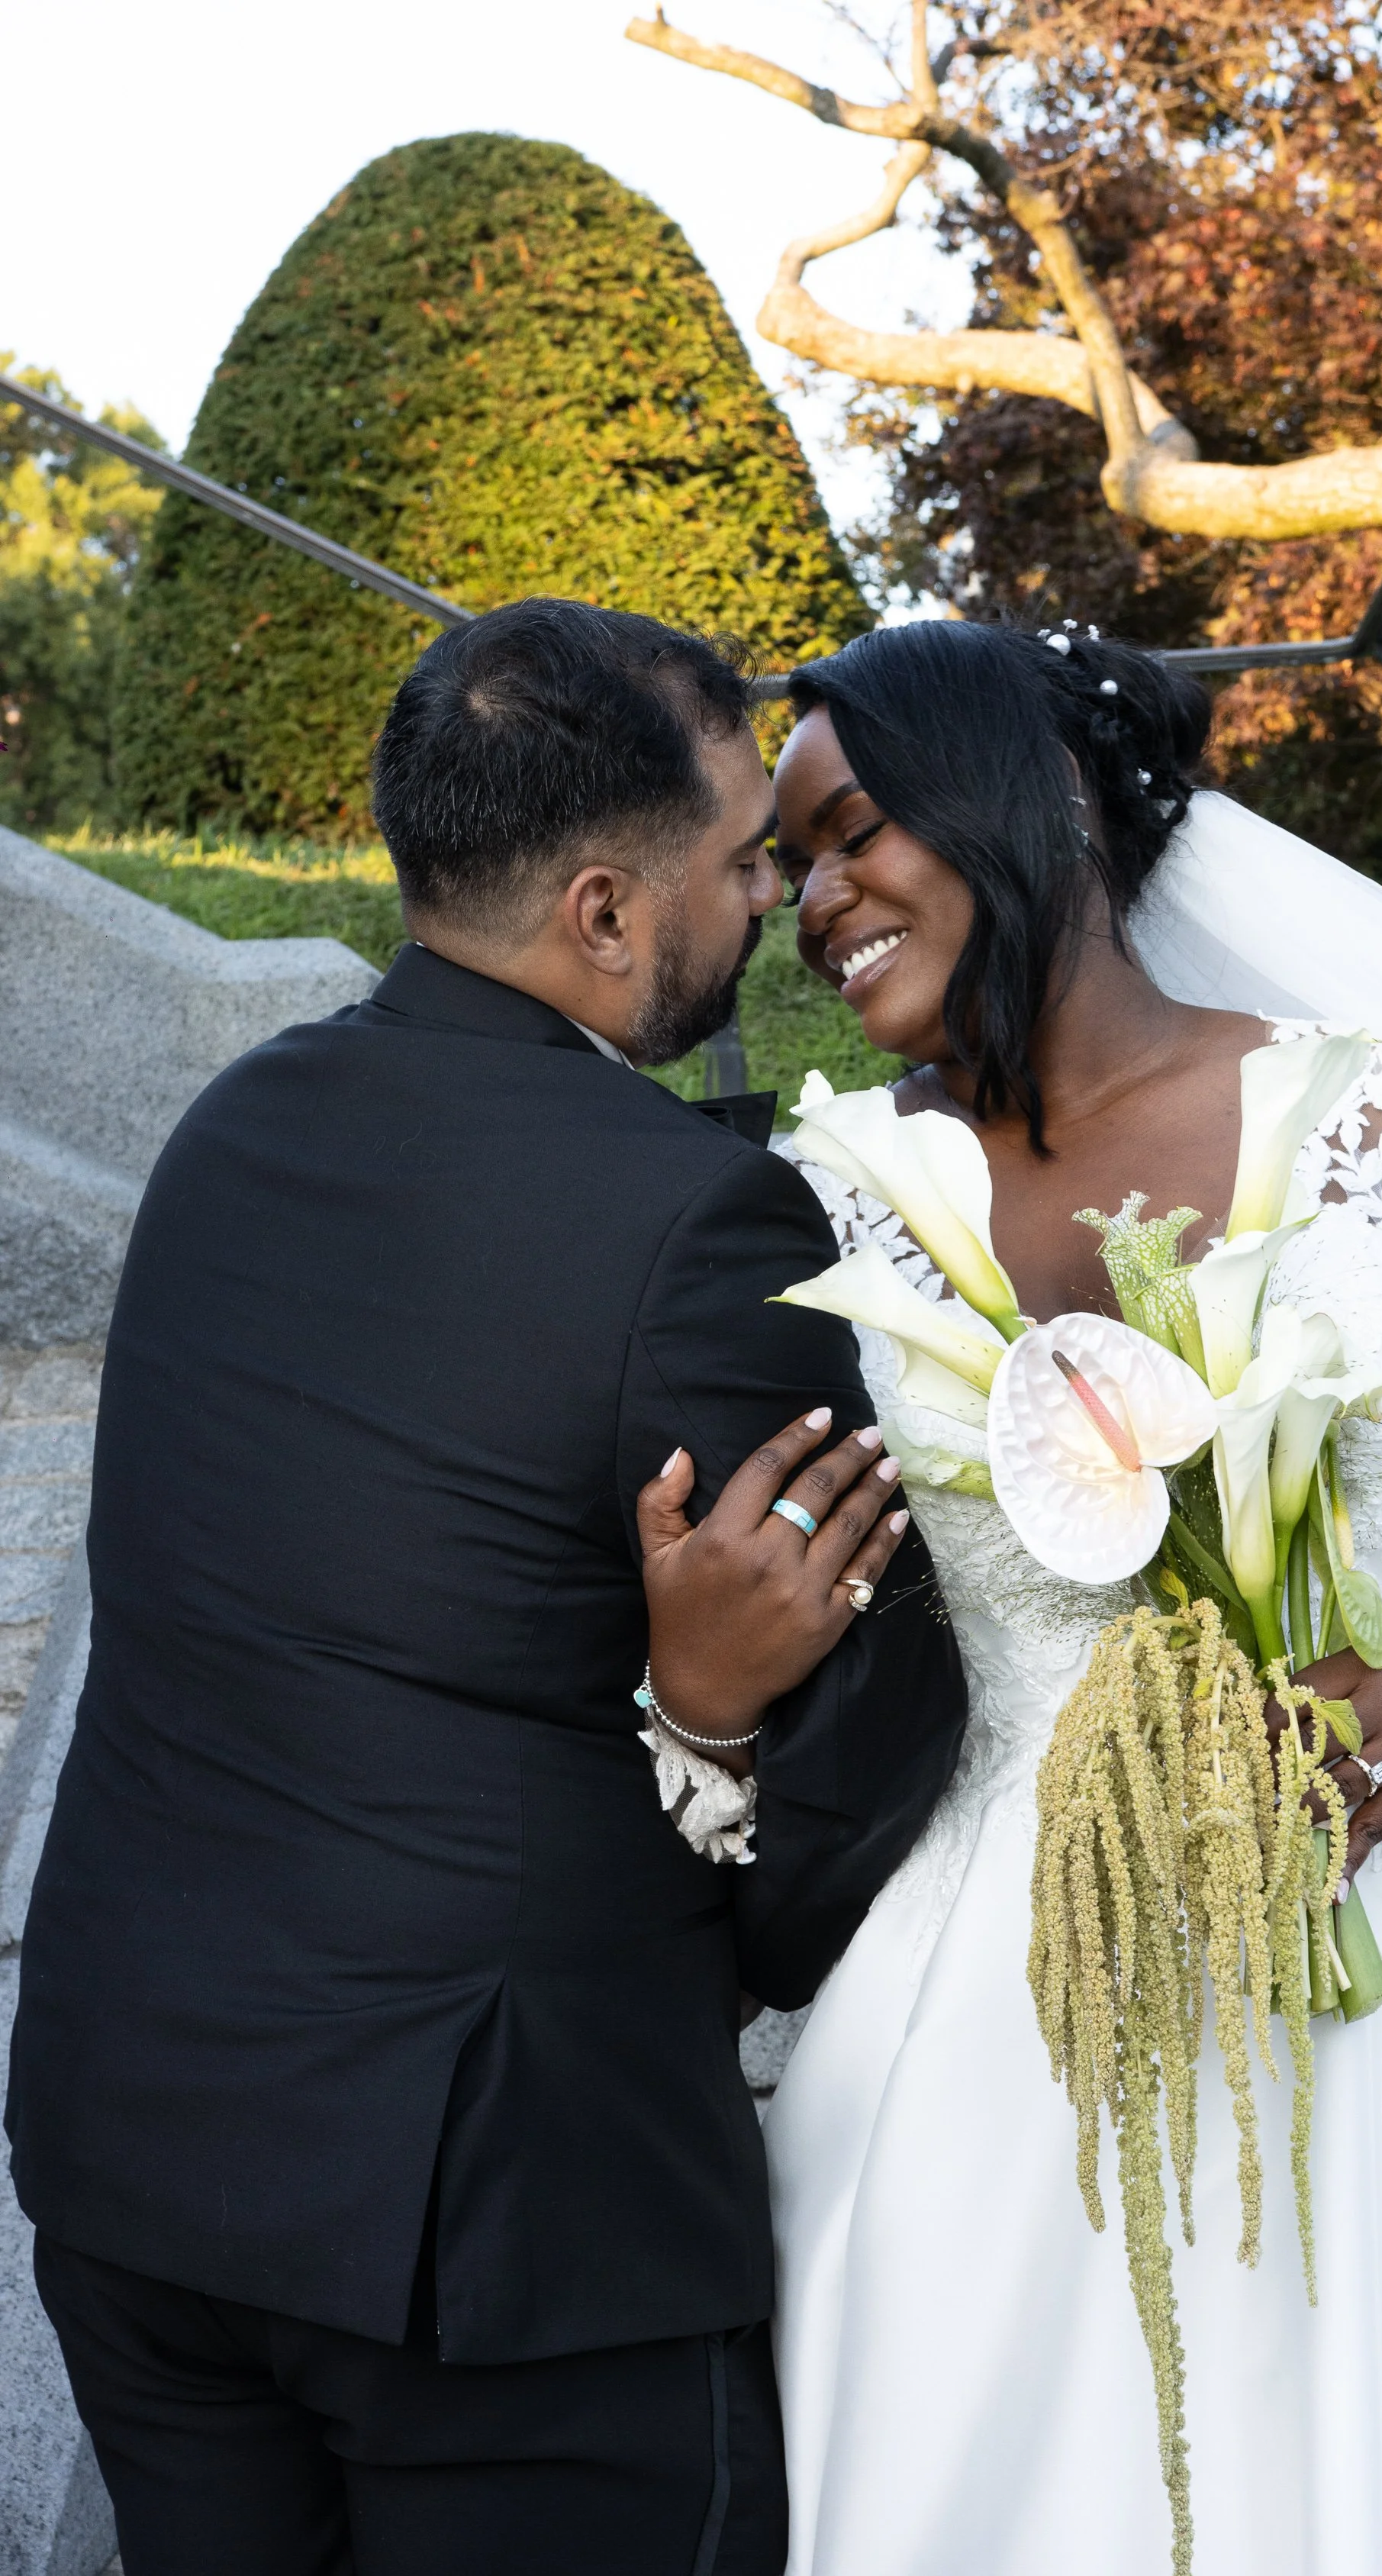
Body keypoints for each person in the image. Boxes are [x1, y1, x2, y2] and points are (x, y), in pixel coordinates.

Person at [5, 599, 967, 2576]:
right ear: (606, 913)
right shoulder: (696, 1216)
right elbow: (854, 1752)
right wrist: (709, 1716)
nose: (768, 892)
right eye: (738, 859)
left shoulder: (230, 1131)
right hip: (494, 2244)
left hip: (136, 2158)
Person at [763, 617, 1382, 2576]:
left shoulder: (1370, 1114)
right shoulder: (847, 1203)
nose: (811, 901)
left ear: (1017, 806)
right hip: (1048, 1994)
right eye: (786, 866)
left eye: (851, 832)